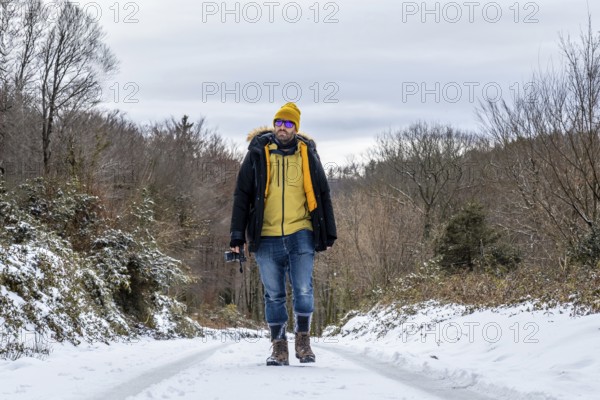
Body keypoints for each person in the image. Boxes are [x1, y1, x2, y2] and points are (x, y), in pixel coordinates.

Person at [229, 102, 337, 366]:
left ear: (296, 127)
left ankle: (303, 341)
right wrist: (236, 236)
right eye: (279, 122)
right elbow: (242, 195)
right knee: (274, 294)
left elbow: (322, 193)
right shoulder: (257, 153)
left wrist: (329, 233)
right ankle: (279, 346)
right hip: (265, 235)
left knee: (303, 288)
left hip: (301, 231)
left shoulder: (307, 154)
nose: (282, 127)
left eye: (288, 123)